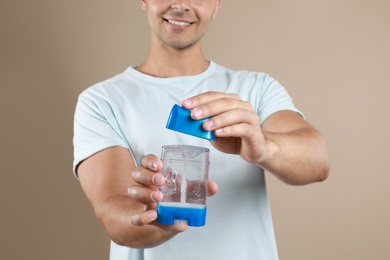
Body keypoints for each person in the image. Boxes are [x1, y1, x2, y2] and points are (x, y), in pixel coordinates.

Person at [73, 0, 329, 259]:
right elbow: (112, 212)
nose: (181, 5)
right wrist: (158, 218)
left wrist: (263, 147)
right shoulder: (102, 101)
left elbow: (317, 161)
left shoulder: (256, 88)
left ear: (216, 4)